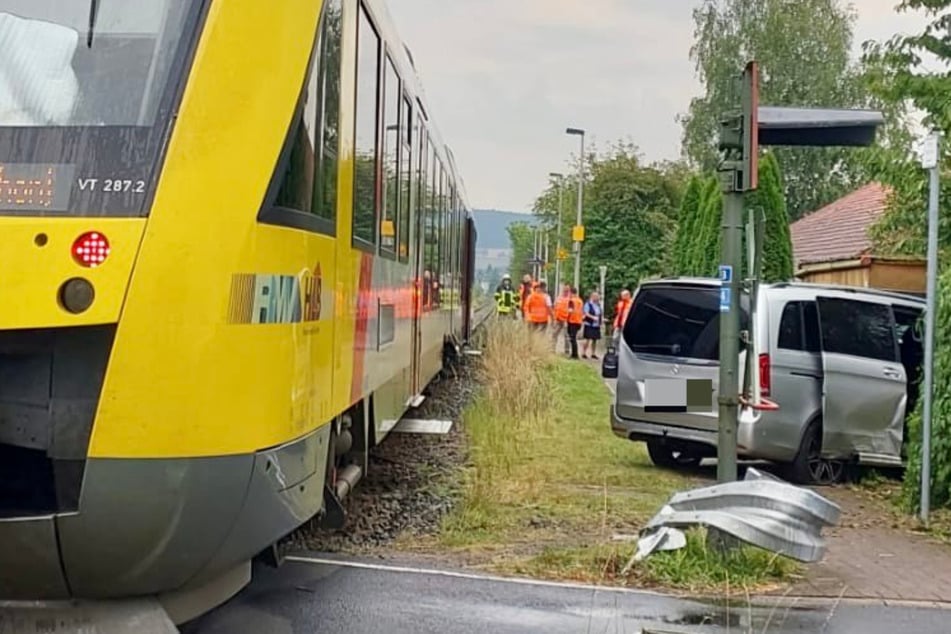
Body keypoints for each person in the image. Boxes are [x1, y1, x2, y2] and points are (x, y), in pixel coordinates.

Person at [581, 291, 603, 359]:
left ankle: (593, 353)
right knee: (587, 339)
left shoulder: (598, 305)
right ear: (592, 297)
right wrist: (593, 317)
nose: (597, 298)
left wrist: (601, 320)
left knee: (595, 340)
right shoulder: (588, 304)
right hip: (589, 324)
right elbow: (586, 313)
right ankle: (584, 353)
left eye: (598, 297)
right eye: (596, 297)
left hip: (596, 325)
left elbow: (599, 313)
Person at [551, 283, 571, 354]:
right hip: (558, 319)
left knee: (567, 335)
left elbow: (571, 310)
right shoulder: (558, 298)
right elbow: (554, 308)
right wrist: (554, 318)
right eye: (564, 289)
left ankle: (567, 350)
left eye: (567, 290)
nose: (565, 291)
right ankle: (552, 349)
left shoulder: (570, 299)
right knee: (554, 334)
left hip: (566, 320)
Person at [566, 287, 584, 359]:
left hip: (572, 321)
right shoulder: (580, 300)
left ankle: (574, 354)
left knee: (572, 338)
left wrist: (566, 319)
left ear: (571, 293)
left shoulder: (571, 301)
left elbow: (570, 311)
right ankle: (574, 354)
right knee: (574, 338)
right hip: (578, 321)